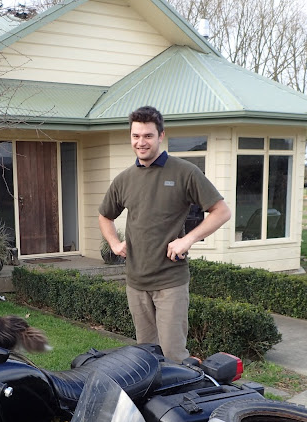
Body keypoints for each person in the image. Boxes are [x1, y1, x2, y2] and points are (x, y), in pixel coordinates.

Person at [98, 106, 231, 363]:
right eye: (136, 136)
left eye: (147, 135)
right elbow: (105, 215)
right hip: (136, 282)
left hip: (170, 281)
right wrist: (114, 243)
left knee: (173, 357)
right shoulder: (124, 179)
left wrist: (188, 239)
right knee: (145, 356)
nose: (141, 142)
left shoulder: (184, 172)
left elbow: (221, 211)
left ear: (161, 135)